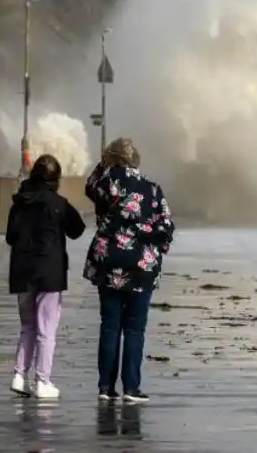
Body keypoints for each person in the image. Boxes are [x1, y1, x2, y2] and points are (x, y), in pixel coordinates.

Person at [83, 137, 175, 404]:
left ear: (111, 160)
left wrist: (102, 166)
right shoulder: (153, 190)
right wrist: (155, 247)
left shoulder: (104, 184)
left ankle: (105, 387)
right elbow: (166, 227)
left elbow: (89, 187)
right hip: (142, 266)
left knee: (110, 326)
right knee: (135, 329)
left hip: (109, 262)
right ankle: (132, 389)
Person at [6, 153, 87, 399]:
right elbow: (78, 230)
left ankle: (20, 376)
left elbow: (10, 237)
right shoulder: (58, 203)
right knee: (46, 328)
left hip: (22, 271)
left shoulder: (18, 203)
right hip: (49, 273)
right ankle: (43, 380)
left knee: (28, 326)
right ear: (56, 179)